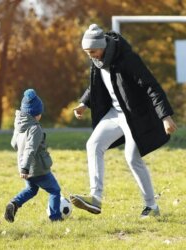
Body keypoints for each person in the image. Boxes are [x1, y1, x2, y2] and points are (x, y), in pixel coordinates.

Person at [70, 24, 177, 218]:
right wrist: (84, 104)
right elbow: (94, 85)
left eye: (92, 51)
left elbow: (151, 86)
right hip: (115, 114)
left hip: (135, 116)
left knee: (132, 157)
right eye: (87, 52)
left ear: (102, 46)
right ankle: (95, 198)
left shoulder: (127, 59)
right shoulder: (98, 60)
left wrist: (165, 116)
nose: (90, 55)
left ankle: (151, 207)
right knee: (93, 144)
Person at [4, 89, 63, 222]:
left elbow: (14, 144)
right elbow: (30, 148)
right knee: (55, 190)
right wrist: (26, 167)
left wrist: (23, 167)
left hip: (25, 168)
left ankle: (13, 204)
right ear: (35, 114)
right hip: (38, 168)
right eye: (39, 112)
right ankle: (55, 218)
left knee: (31, 190)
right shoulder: (35, 128)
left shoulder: (19, 126)